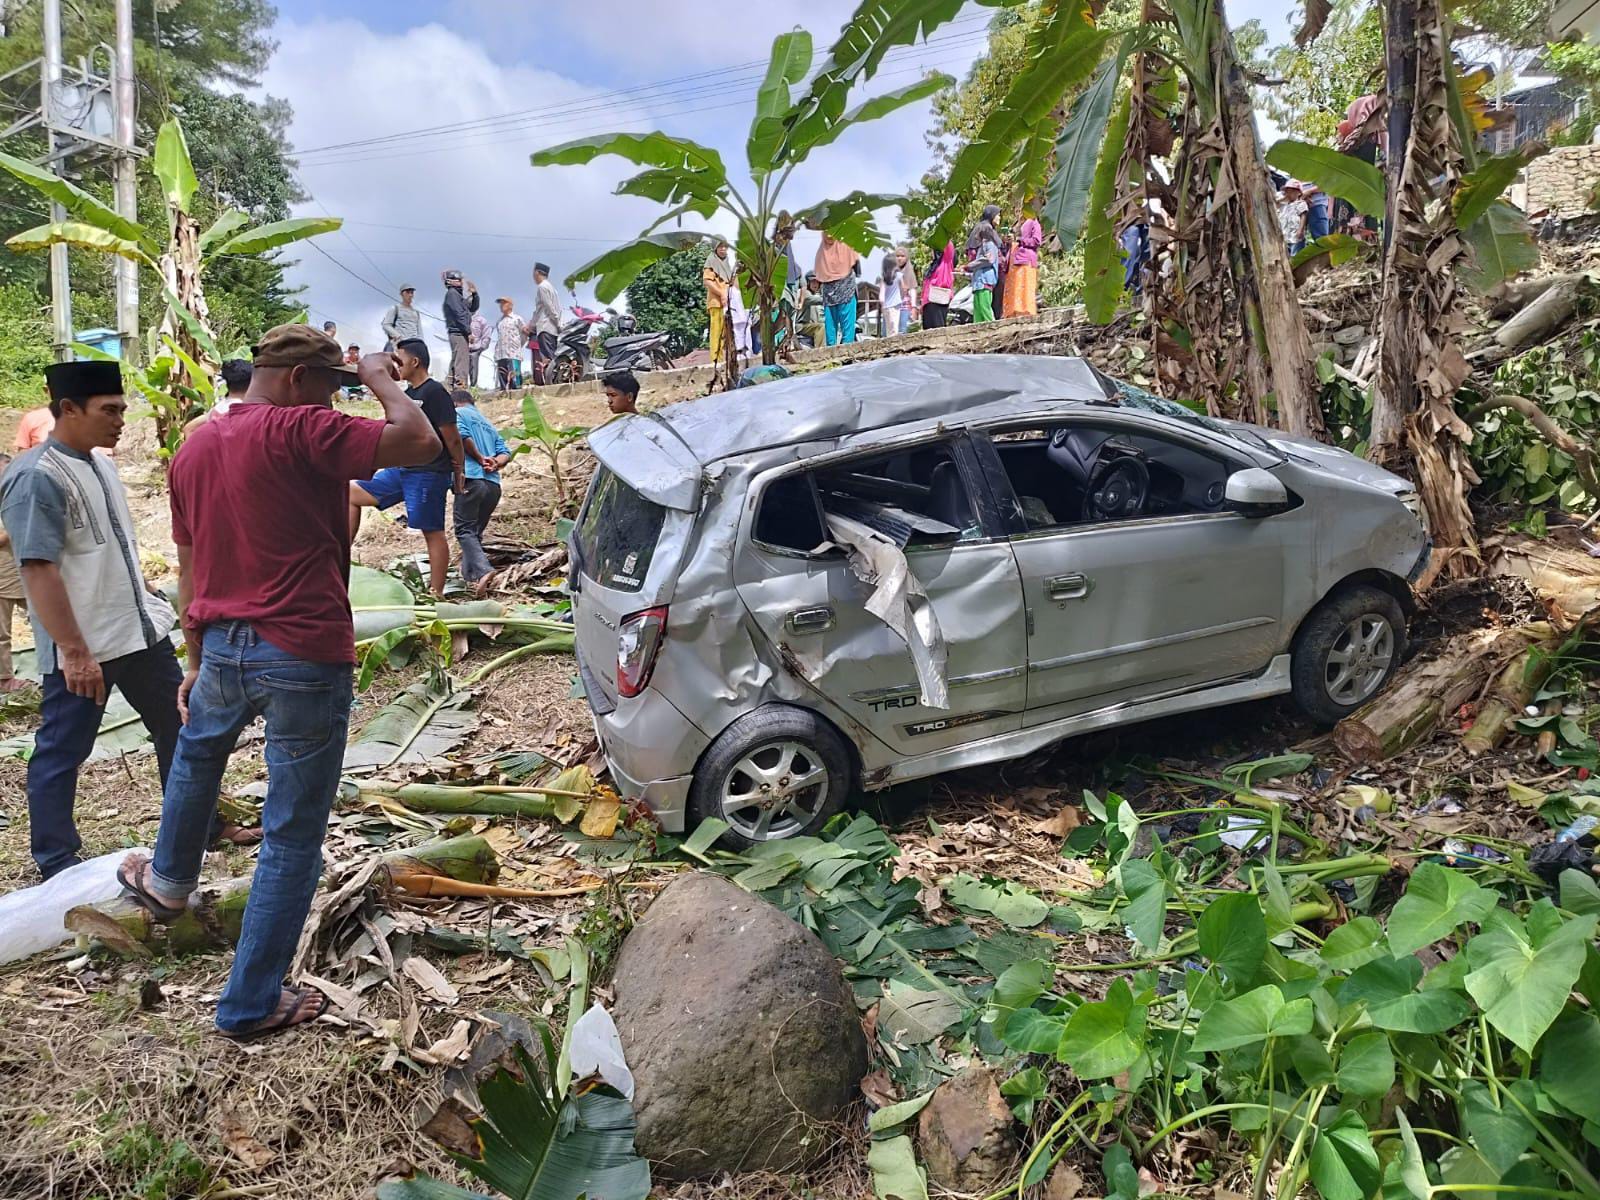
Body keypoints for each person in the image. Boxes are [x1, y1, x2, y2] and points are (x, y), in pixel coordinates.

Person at [115, 326, 440, 1041]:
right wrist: (382, 378)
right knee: (292, 836)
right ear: (298, 381)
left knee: (199, 755)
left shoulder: (195, 445)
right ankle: (248, 1003)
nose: (337, 399)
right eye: (331, 386)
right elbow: (419, 443)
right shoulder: (302, 429)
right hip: (301, 649)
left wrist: (194, 654)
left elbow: (189, 558)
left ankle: (168, 880)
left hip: (221, 644)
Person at [0, 362, 182, 880]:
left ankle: (195, 824)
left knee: (180, 725)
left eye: (122, 409)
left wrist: (147, 592)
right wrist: (74, 651)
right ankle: (57, 860)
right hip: (87, 645)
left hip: (138, 630)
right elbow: (38, 569)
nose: (120, 420)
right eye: (109, 410)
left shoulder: (100, 464)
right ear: (68, 409)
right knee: (63, 750)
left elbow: (109, 549)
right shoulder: (37, 475)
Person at [349, 339, 466, 597]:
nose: (395, 365)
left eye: (399, 359)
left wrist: (458, 471)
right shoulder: (407, 395)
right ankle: (341, 561)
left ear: (414, 362)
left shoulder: (435, 392)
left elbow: (452, 436)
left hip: (429, 472)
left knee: (432, 531)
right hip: (400, 470)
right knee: (348, 493)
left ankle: (436, 593)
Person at [449, 389, 510, 591]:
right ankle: (470, 578)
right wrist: (495, 464)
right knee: (474, 533)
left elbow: (460, 436)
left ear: (455, 403)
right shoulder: (488, 423)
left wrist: (478, 458)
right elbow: (505, 453)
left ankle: (484, 571)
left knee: (464, 530)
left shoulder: (458, 414)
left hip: (472, 478)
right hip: (493, 485)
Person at [0, 454, 28, 695]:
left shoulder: (14, 497)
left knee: (48, 619)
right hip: (4, 576)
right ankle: (4, 679)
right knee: (1, 632)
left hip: (23, 571)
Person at [814, 233, 860, 346]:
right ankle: (847, 354)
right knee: (848, 327)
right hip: (847, 289)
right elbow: (857, 266)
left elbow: (818, 273)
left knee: (830, 327)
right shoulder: (847, 245)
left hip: (829, 292)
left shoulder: (822, 250)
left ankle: (831, 355)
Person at [441, 269, 480, 388]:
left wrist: (475, 295)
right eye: (459, 279)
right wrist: (468, 331)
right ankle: (460, 389)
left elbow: (472, 308)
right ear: (452, 281)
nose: (462, 282)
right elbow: (459, 314)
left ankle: (451, 388)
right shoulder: (452, 294)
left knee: (457, 360)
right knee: (461, 363)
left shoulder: (457, 296)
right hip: (458, 333)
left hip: (459, 332)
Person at [966, 205, 1002, 323]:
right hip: (980, 279)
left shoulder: (989, 243)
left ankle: (994, 333)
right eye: (998, 215)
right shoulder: (986, 240)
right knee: (978, 312)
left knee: (984, 309)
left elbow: (989, 259)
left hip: (984, 279)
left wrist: (969, 266)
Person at [1004, 215, 1043, 318]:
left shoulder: (1033, 222)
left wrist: (1019, 240)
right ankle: (1012, 313)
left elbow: (1037, 241)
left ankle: (1026, 312)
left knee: (1024, 286)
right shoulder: (1016, 223)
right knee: (1014, 287)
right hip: (1013, 260)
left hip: (1025, 260)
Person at [531, 263, 561, 386]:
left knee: (549, 357)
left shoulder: (542, 287)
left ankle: (554, 382)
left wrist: (557, 322)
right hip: (552, 327)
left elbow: (549, 307)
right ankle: (555, 380)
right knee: (552, 354)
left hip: (545, 326)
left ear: (537, 272)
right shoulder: (552, 288)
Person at [703, 241, 733, 364]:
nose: (723, 249)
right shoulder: (711, 261)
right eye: (720, 246)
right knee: (716, 332)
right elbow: (707, 282)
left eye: (725, 246)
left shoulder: (727, 262)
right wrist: (721, 293)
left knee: (726, 333)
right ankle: (715, 360)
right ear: (715, 248)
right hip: (716, 302)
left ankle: (722, 359)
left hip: (727, 302)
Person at [493, 297, 528, 391]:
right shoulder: (499, 322)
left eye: (504, 303)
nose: (501, 306)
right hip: (501, 354)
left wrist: (518, 345)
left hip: (513, 353)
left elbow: (525, 334)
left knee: (515, 380)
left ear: (510, 305)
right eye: (500, 304)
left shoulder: (517, 319)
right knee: (503, 381)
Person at [921, 242, 955, 330]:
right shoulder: (932, 268)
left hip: (939, 300)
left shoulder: (946, 263)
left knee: (938, 330)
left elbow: (948, 246)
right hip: (928, 303)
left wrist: (941, 236)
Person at [381, 286, 423, 351]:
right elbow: (386, 325)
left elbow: (420, 330)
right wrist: (397, 335)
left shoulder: (416, 312)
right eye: (407, 292)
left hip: (414, 343)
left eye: (412, 293)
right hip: (400, 343)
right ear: (401, 294)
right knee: (389, 357)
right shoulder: (395, 308)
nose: (410, 295)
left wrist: (421, 343)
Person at [893, 245, 918, 334]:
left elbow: (912, 289)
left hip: (904, 306)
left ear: (906, 258)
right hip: (892, 307)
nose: (900, 258)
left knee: (903, 331)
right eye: (898, 256)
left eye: (902, 256)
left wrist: (914, 307)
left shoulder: (909, 271)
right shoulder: (891, 271)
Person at [1278, 181, 1308, 254]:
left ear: (1299, 193)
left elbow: (1303, 216)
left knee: (1296, 253)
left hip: (1295, 233)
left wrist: (1300, 230)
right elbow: (1274, 203)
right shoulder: (1284, 205)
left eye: (1292, 192)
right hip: (1285, 233)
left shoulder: (1300, 203)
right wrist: (1283, 199)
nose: (1289, 194)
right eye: (1287, 192)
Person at [798, 272, 825, 346]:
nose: (815, 284)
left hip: (808, 325)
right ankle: (820, 351)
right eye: (812, 282)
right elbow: (818, 300)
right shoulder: (805, 294)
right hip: (801, 326)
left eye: (817, 282)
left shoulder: (813, 294)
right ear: (808, 282)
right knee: (821, 327)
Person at [467, 310, 491, 388]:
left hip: (475, 350)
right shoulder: (462, 318)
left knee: (473, 372)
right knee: (460, 371)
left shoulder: (481, 320)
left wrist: (481, 348)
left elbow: (487, 335)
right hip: (463, 349)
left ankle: (473, 389)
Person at [728, 278, 750, 362]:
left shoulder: (745, 291)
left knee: (748, 342)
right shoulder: (730, 291)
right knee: (738, 342)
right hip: (736, 321)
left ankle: (748, 357)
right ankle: (740, 359)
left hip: (746, 320)